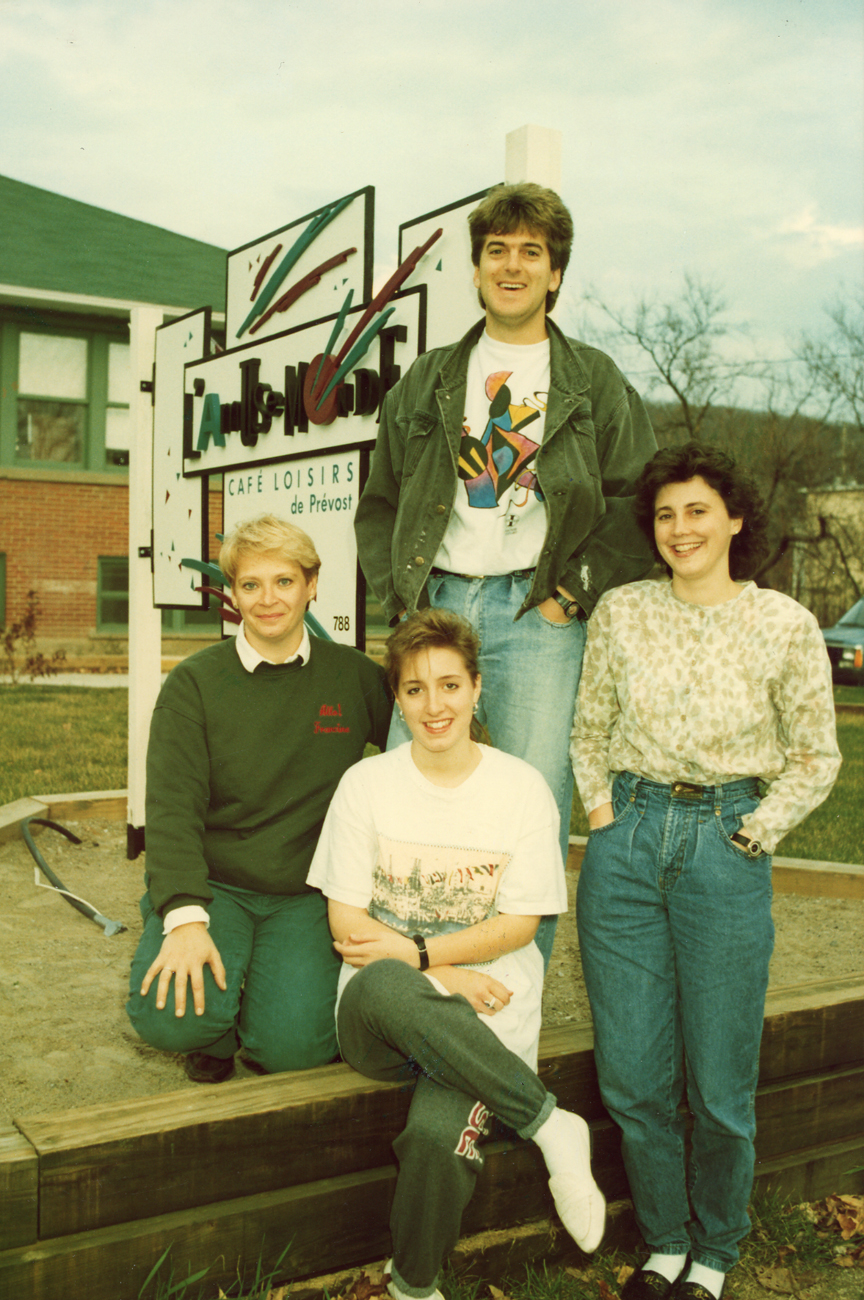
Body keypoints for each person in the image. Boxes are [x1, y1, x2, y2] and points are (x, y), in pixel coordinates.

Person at [354, 181, 657, 963]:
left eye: (532, 253)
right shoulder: (425, 381)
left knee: (533, 799)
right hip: (440, 603)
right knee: (406, 786)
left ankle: (514, 981)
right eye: (498, 252)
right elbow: (380, 500)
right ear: (477, 268)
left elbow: (637, 499)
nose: (513, 267)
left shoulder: (595, 380)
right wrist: (400, 605)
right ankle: (401, 977)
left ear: (556, 273)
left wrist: (571, 594)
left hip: (538, 614)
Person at [571, 443, 842, 1300]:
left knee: (719, 1077)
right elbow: (588, 729)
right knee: (632, 1072)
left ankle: (717, 1249)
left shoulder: (785, 624)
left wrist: (756, 832)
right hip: (626, 845)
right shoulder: (620, 611)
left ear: (733, 519)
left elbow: (816, 755)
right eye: (664, 514)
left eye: (697, 511)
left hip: (725, 842)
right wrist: (605, 818)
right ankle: (665, 1240)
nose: (680, 529)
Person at [307, 608, 606, 1300]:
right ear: (399, 700)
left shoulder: (521, 789)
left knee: (438, 1137)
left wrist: (417, 955)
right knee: (380, 982)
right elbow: (347, 925)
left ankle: (413, 1285)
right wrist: (438, 972)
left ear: (476, 688)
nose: (433, 705)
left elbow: (520, 926)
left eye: (448, 685)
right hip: (384, 1017)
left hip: (489, 1009)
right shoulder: (368, 785)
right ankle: (550, 1123)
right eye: (414, 690)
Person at [126, 514, 391, 1083]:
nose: (268, 599)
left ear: (312, 584)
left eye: (284, 582)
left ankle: (262, 1010)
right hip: (217, 884)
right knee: (170, 1019)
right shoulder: (195, 684)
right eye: (251, 585)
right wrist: (184, 918)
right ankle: (216, 1033)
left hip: (305, 892)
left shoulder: (353, 677)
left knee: (295, 1052)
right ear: (232, 593)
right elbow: (171, 814)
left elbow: (418, 744)